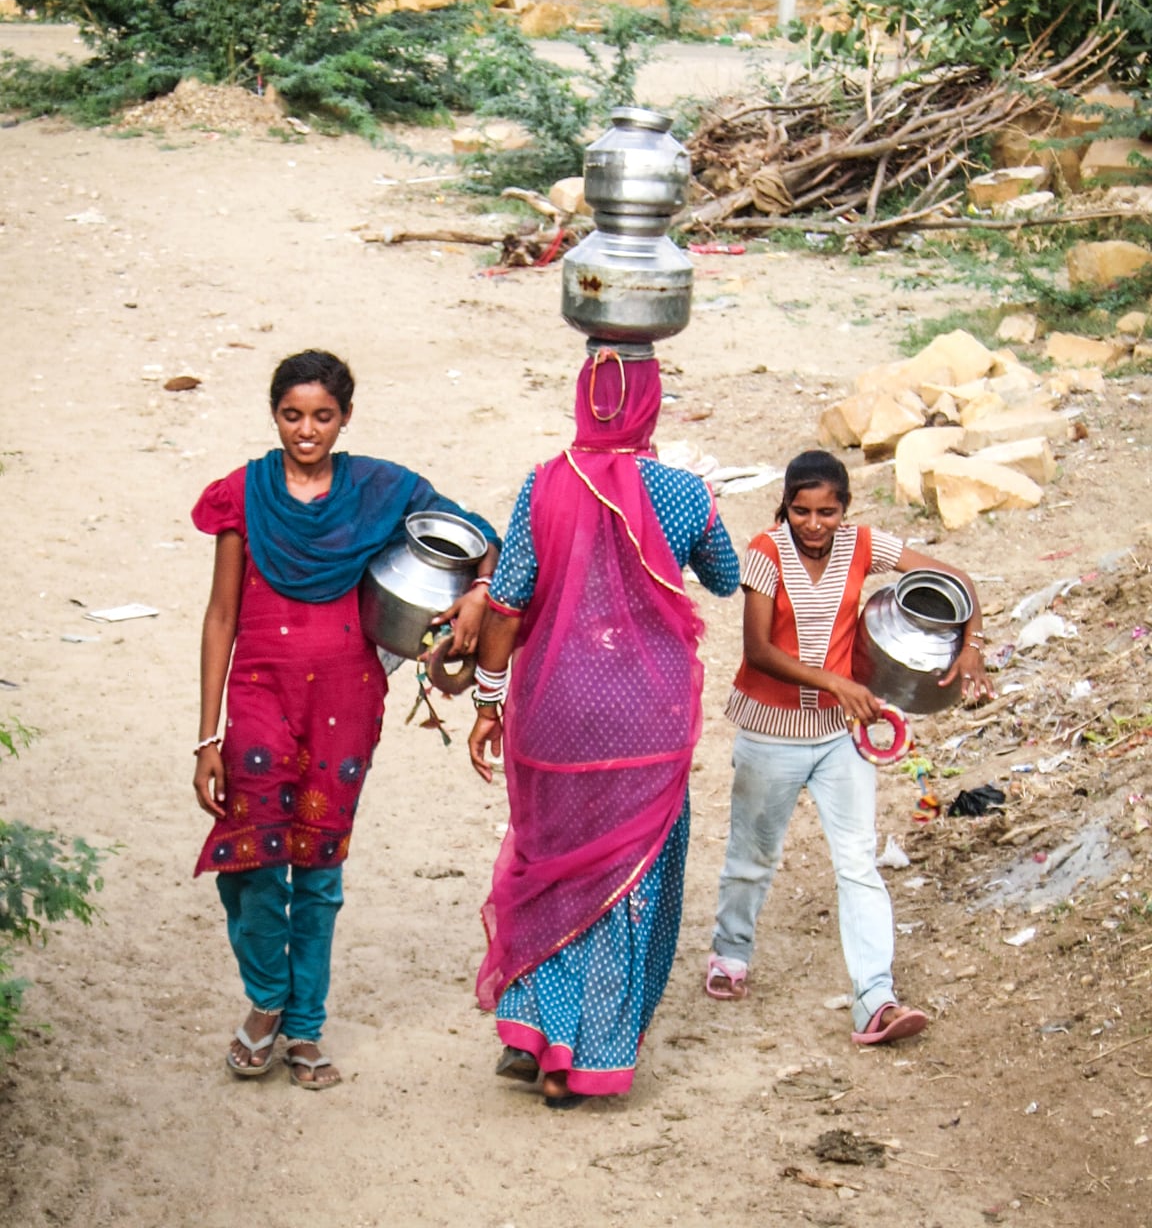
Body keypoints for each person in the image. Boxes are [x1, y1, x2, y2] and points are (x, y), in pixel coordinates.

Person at [192, 349, 498, 1089]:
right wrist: (207, 736)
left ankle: (305, 1029)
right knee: (251, 860)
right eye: (293, 415)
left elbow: (477, 538)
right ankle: (268, 1000)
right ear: (274, 415)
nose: (307, 430)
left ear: (346, 418)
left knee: (318, 866)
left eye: (322, 416)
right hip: (260, 696)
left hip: (347, 702)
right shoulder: (244, 494)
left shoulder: (382, 490)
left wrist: (481, 592)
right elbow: (222, 614)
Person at [467, 348, 740, 1108]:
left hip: (555, 713)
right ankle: (580, 1055)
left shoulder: (545, 482)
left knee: (552, 859)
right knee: (630, 877)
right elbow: (722, 578)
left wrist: (489, 700)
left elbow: (510, 600)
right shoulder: (684, 495)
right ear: (650, 407)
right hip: (644, 720)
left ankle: (534, 1032)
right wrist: (703, 504)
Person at [706, 449, 994, 1045]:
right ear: (785, 507)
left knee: (858, 862)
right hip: (770, 732)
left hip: (840, 736)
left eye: (828, 512)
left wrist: (972, 643)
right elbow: (758, 650)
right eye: (802, 511)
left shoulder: (863, 544)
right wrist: (838, 682)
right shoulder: (765, 552)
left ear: (845, 509)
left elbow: (957, 579)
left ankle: (876, 999)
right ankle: (730, 954)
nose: (815, 524)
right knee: (753, 857)